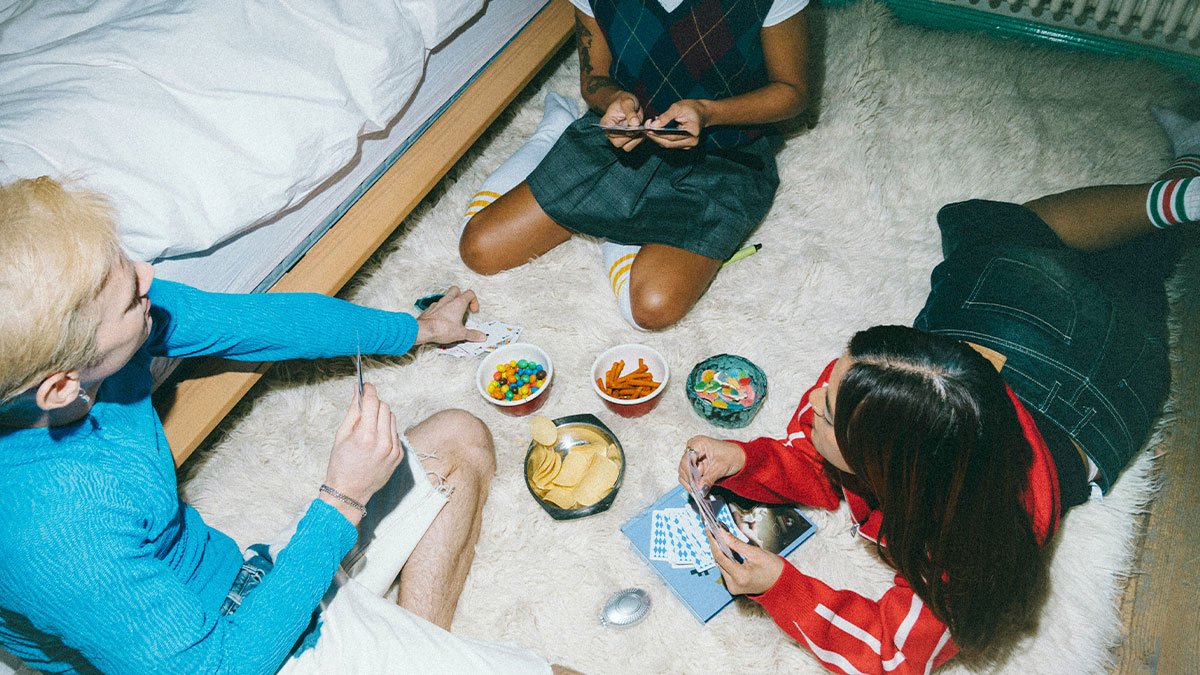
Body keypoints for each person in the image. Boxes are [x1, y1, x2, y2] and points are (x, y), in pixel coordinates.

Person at [676, 108, 1200, 674]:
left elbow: (892, 656)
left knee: (1132, 272)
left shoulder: (971, 554)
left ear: (888, 467)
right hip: (995, 343)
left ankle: (1183, 192)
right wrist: (746, 459)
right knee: (981, 225)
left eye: (826, 408)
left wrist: (781, 587)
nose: (814, 399)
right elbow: (820, 457)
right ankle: (1182, 193)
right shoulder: (898, 421)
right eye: (834, 382)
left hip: (1097, 396)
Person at [0, 177, 578, 674]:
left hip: (254, 582)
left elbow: (262, 322)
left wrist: (415, 329)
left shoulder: (92, 331)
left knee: (460, 438)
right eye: (128, 296)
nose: (147, 275)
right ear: (58, 387)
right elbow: (220, 667)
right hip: (245, 655)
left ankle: (407, 645)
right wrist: (342, 499)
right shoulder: (46, 531)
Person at [458, 0, 811, 330]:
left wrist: (709, 112)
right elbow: (594, 76)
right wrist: (614, 99)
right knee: (478, 249)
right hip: (623, 139)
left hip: (724, 152)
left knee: (651, 307)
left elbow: (793, 92)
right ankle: (551, 133)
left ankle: (616, 226)